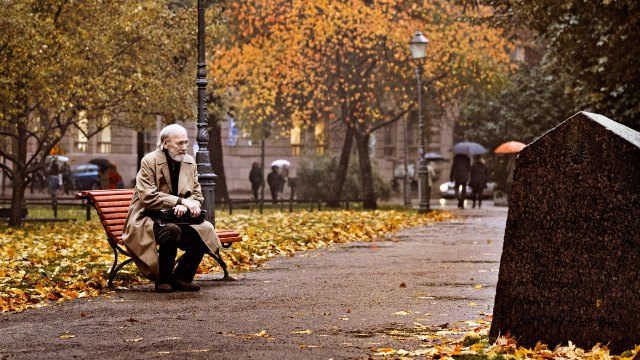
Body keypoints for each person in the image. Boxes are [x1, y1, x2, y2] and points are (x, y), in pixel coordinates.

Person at [122, 124, 222, 293]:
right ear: (166, 143)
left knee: (206, 229)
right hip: (147, 218)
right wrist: (179, 202)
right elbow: (148, 198)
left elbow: (197, 195)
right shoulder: (149, 161)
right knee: (171, 231)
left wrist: (193, 204)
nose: (183, 147)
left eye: (186, 143)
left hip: (179, 218)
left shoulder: (189, 162)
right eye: (179, 143)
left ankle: (182, 277)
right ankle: (163, 280)